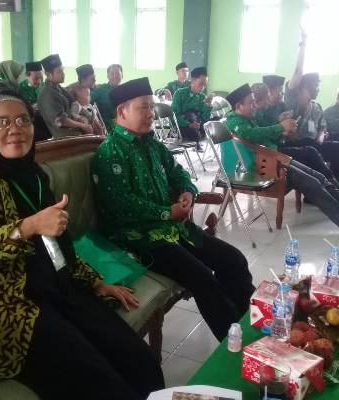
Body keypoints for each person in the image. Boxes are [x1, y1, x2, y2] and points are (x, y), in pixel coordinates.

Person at [0, 86, 164, 400]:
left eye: (23, 119)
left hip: (58, 288)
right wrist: (27, 227)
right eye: (2, 122)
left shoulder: (33, 173)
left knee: (142, 364)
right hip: (8, 308)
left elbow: (57, 246)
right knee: (104, 385)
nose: (15, 129)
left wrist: (94, 281)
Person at [92, 77, 255, 341]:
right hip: (138, 240)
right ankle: (237, 347)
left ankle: (252, 327)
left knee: (233, 259)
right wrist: (167, 212)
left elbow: (179, 173)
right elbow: (122, 205)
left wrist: (187, 193)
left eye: (151, 107)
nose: (151, 114)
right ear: (122, 111)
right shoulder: (110, 152)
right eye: (143, 107)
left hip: (173, 228)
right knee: (202, 277)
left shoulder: (152, 144)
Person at [224, 84, 339, 232]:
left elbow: (262, 137)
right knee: (312, 183)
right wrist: (280, 126)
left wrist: (282, 132)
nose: (255, 105)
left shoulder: (246, 119)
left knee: (319, 176)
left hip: (272, 159)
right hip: (263, 167)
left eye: (255, 102)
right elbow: (252, 134)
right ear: (238, 106)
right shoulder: (235, 122)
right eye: (251, 103)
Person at [283, 31, 339, 181]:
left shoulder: (316, 107)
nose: (318, 89)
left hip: (314, 143)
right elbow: (298, 71)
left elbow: (322, 127)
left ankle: (337, 182)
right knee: (310, 148)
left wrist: (320, 137)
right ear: (303, 86)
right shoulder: (292, 101)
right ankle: (328, 183)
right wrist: (303, 43)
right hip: (297, 145)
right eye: (315, 85)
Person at [37, 54, 93, 137]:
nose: (63, 74)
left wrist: (79, 118)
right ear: (48, 74)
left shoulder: (58, 88)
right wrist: (82, 125)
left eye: (62, 70)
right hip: (65, 138)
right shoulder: (48, 94)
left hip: (74, 133)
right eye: (59, 72)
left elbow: (71, 105)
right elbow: (61, 120)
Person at [171, 66, 213, 151]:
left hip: (197, 125)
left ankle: (198, 136)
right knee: (191, 115)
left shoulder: (202, 97)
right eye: (201, 84)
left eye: (205, 85)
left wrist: (208, 106)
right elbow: (174, 115)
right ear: (193, 81)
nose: (203, 87)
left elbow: (205, 117)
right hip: (181, 126)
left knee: (215, 122)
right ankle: (197, 138)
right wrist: (188, 124)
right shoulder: (180, 93)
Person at [91, 64, 123, 131]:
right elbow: (87, 100)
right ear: (108, 76)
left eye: (117, 73)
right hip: (106, 127)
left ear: (122, 75)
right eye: (112, 74)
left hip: (124, 126)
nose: (115, 76)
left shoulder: (127, 90)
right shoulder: (101, 89)